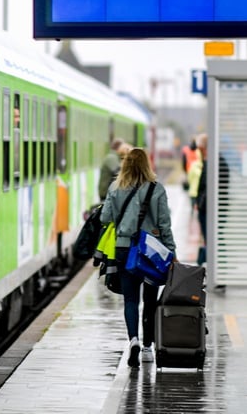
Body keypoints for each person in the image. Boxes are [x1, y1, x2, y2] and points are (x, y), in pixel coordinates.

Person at [100, 147, 176, 367]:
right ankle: (147, 348)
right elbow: (164, 225)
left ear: (125, 165)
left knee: (131, 299)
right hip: (151, 253)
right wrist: (172, 253)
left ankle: (133, 339)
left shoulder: (115, 187)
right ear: (146, 164)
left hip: (124, 250)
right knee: (150, 300)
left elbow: (105, 217)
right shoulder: (157, 189)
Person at [188, 133, 229, 267]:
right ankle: (212, 269)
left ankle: (217, 269)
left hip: (210, 209)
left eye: (201, 149)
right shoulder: (210, 162)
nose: (200, 152)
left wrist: (200, 203)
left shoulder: (215, 162)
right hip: (206, 208)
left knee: (214, 239)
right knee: (210, 240)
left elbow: (209, 187)